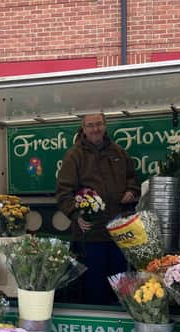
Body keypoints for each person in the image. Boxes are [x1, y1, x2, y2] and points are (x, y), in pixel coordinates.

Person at [56, 113, 140, 305]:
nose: (96, 129)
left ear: (105, 125)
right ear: (83, 128)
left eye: (99, 124)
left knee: (121, 286)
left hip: (119, 232)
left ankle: (121, 326)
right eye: (91, 125)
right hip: (90, 235)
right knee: (94, 289)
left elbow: (132, 179)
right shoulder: (74, 156)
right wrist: (76, 215)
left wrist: (131, 190)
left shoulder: (118, 151)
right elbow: (63, 193)